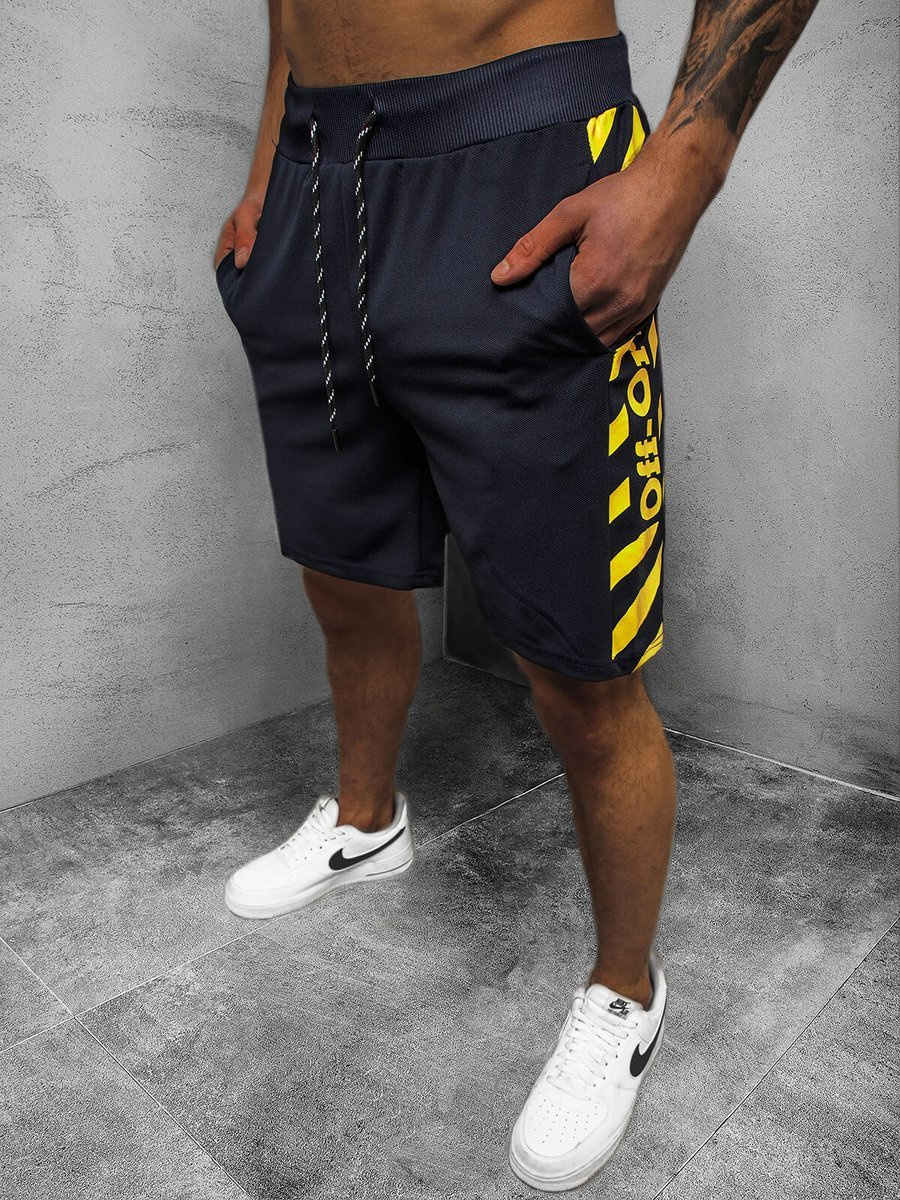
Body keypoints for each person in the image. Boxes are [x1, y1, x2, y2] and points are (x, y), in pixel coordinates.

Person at [213, 0, 820, 1189]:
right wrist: (267, 168)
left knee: (581, 671)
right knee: (343, 574)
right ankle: (365, 822)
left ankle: (626, 991)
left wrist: (685, 164)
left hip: (522, 161)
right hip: (315, 184)